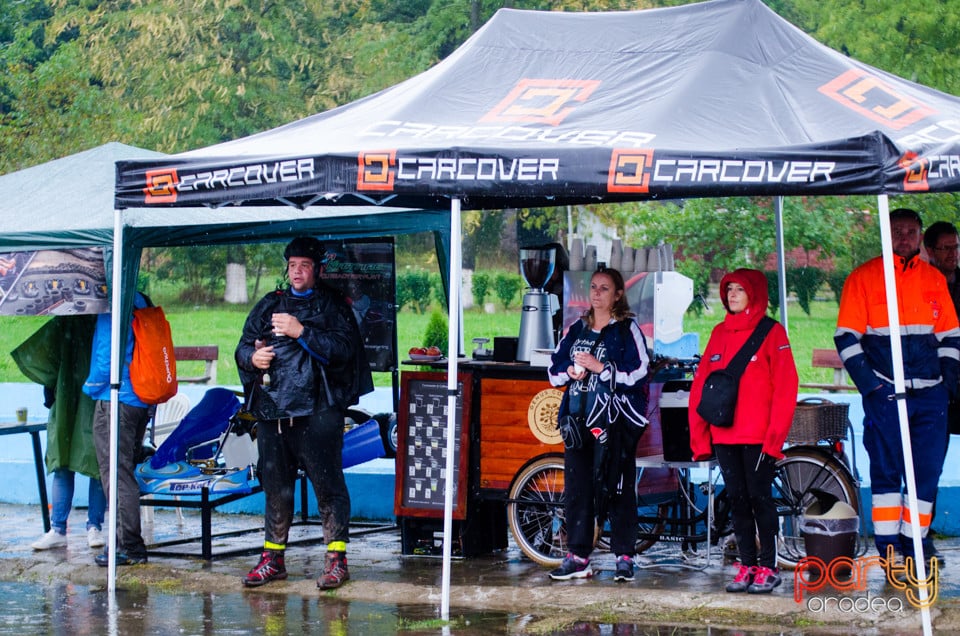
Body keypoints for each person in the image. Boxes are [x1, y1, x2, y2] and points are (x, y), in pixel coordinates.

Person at [236, 236, 373, 590]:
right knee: (275, 487)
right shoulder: (269, 305)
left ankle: (336, 560)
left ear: (317, 270)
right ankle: (272, 559)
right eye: (293, 265)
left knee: (328, 486)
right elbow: (241, 347)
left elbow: (344, 351)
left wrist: (302, 332)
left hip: (319, 412)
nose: (297, 272)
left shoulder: (333, 307)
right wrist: (252, 359)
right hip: (273, 412)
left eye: (305, 266)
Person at [836, 207, 960, 570]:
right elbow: (846, 337)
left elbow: (951, 336)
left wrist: (946, 384)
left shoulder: (934, 279)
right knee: (887, 474)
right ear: (885, 234)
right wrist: (872, 388)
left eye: (910, 231)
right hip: (885, 396)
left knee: (926, 474)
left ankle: (916, 545)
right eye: (897, 231)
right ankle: (889, 549)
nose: (903, 237)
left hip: (930, 397)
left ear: (920, 237)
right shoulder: (864, 277)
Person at [688, 268, 798, 594]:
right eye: (729, 289)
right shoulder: (719, 332)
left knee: (759, 499)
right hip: (725, 436)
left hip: (759, 437)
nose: (732, 295)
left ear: (755, 293)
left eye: (740, 289)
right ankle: (747, 563)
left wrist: (775, 436)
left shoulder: (772, 333)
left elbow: (785, 387)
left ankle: (769, 566)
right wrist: (700, 436)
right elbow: (701, 387)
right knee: (737, 500)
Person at [547, 266, 650, 582]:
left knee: (617, 487)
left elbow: (641, 371)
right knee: (578, 489)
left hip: (613, 423)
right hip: (577, 421)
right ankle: (578, 556)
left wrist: (602, 368)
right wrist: (572, 372)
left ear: (618, 294)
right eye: (593, 287)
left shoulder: (627, 330)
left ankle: (624, 557)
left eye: (604, 288)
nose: (597, 293)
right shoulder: (575, 330)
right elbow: (554, 372)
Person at [12, 315, 107, 551]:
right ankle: (61, 529)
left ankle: (88, 526)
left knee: (93, 462)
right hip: (70, 397)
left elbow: (44, 360)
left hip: (90, 398)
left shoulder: (101, 320)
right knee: (67, 462)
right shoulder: (70, 320)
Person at [84, 291, 153, 566]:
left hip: (116, 399)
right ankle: (128, 542)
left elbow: (105, 358)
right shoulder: (139, 299)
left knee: (115, 473)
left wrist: (88, 387)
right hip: (140, 398)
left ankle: (129, 546)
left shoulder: (111, 301)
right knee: (124, 470)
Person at [919, 219, 960, 564]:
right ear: (930, 251)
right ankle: (923, 535)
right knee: (929, 465)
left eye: (956, 247)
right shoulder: (920, 284)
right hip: (935, 389)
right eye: (946, 248)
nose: (953, 254)